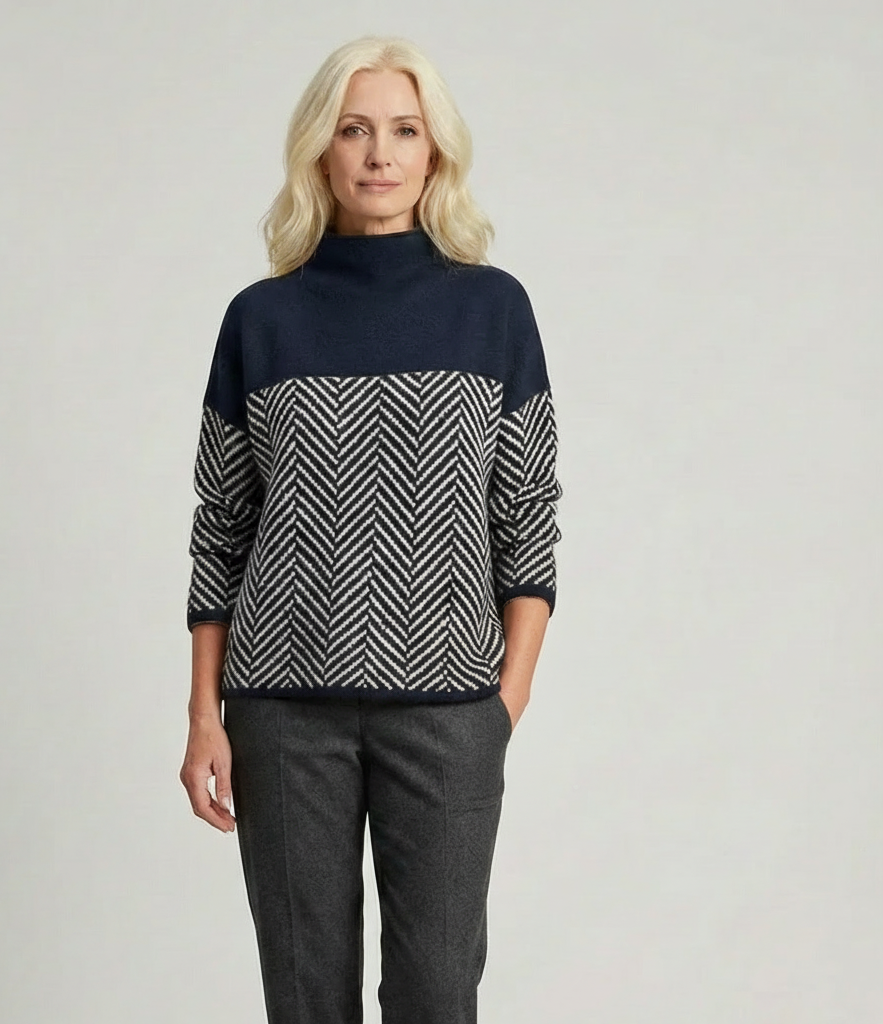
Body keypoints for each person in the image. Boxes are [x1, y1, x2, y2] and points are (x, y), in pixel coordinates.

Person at [179, 34, 562, 1024]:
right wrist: (204, 713)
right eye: (354, 130)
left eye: (404, 130)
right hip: (281, 711)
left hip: (447, 712)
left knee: (437, 994)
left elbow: (526, 516)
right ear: (320, 149)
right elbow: (223, 527)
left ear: (436, 152)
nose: (379, 153)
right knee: (305, 999)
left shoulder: (492, 310)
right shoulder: (261, 319)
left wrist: (505, 699)